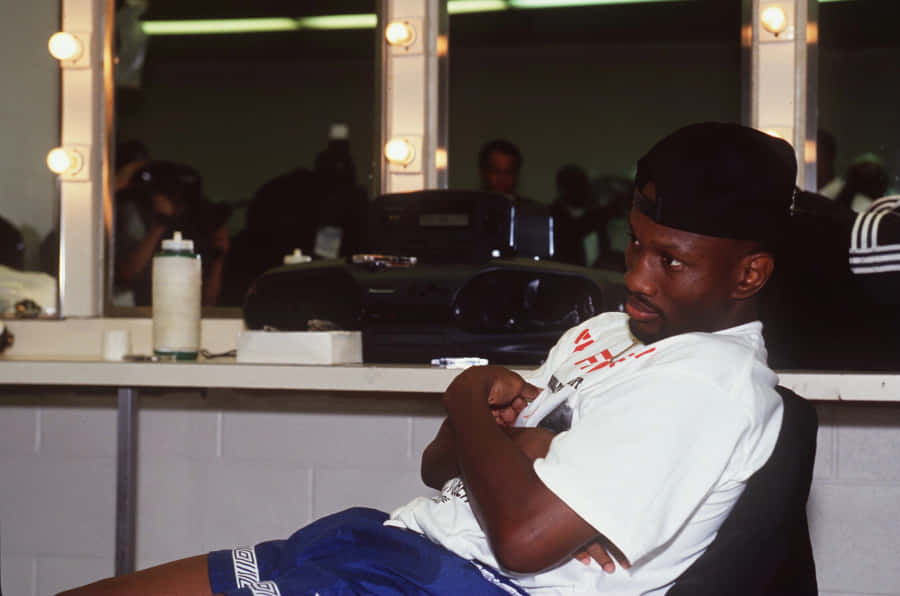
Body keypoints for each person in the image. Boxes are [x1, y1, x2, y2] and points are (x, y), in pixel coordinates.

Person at [59, 122, 793, 595]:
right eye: (636, 244)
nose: (637, 275)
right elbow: (442, 467)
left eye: (671, 260)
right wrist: (514, 448)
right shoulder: (604, 334)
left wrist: (472, 394)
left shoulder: (712, 380)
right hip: (394, 540)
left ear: (748, 274)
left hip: (463, 583)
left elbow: (525, 537)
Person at [478, 139, 547, 215]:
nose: (502, 178)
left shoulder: (532, 212)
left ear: (517, 174)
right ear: (483, 172)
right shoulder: (470, 208)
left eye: (508, 172)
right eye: (496, 172)